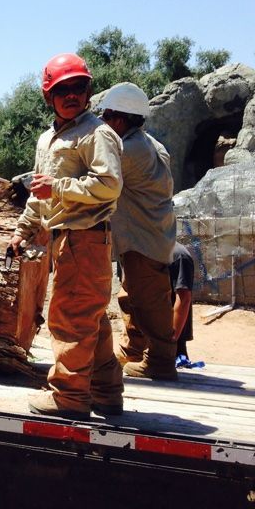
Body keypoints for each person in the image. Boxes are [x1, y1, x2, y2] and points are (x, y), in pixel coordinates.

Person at [10, 53, 124, 418]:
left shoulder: (96, 133)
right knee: (90, 318)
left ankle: (69, 397)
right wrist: (23, 230)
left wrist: (58, 188)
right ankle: (105, 391)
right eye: (63, 89)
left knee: (70, 318)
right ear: (49, 96)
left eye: (78, 87)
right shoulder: (49, 138)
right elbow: (38, 191)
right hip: (65, 239)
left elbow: (109, 185)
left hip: (85, 237)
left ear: (88, 91)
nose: (72, 95)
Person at [99, 82, 178, 381]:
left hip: (143, 240)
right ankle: (134, 349)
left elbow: (98, 177)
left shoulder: (128, 150)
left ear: (119, 120)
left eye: (106, 117)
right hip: (147, 237)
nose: (104, 123)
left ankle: (160, 362)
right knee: (132, 296)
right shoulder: (151, 144)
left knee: (149, 301)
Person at [171, 242, 198, 366]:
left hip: (170, 346)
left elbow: (184, 298)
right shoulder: (151, 250)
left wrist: (170, 342)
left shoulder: (179, 255)